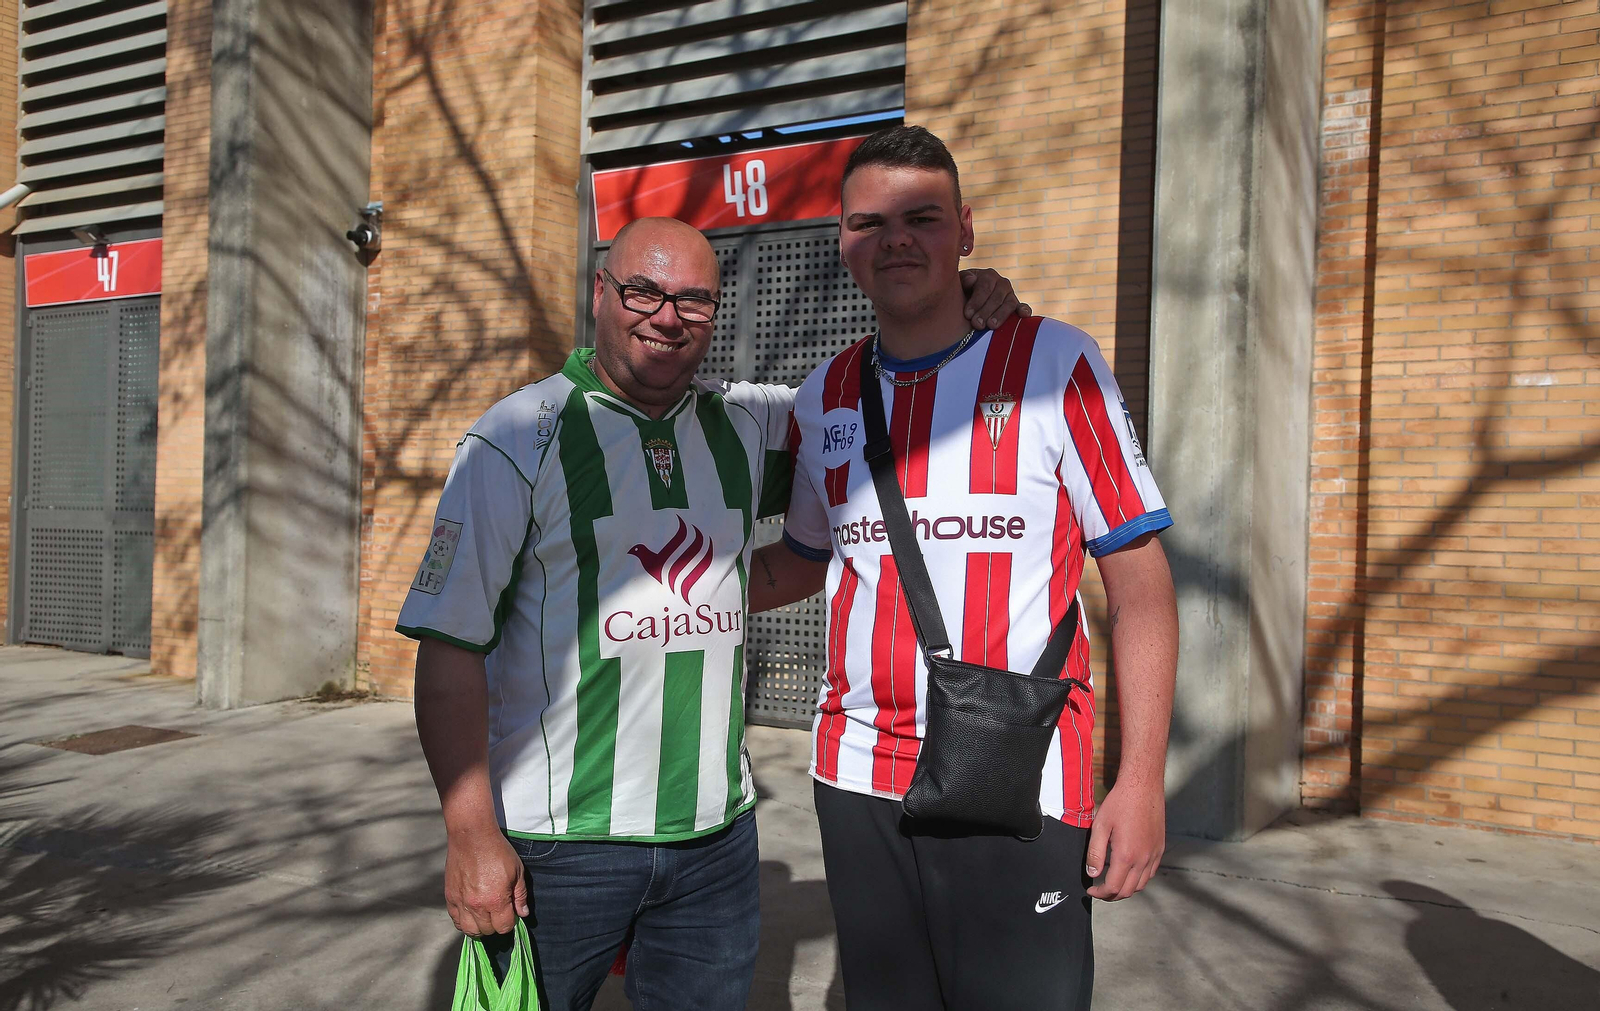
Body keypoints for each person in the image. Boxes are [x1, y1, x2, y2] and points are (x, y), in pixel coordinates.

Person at [396, 214, 1027, 1011]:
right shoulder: (517, 439)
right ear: (600, 293)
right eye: (643, 291)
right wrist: (470, 834)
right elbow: (449, 647)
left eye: (694, 300)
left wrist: (946, 301)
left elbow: (876, 398)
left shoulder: (748, 423)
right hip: (559, 842)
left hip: (716, 843)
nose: (668, 317)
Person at [749, 126, 1180, 1010]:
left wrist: (1138, 785)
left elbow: (1140, 587)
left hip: (1019, 770)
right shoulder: (825, 393)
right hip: (857, 772)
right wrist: (649, 588)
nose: (897, 239)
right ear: (843, 240)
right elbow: (800, 560)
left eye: (924, 218)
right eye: (870, 222)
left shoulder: (1055, 362)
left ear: (967, 231)